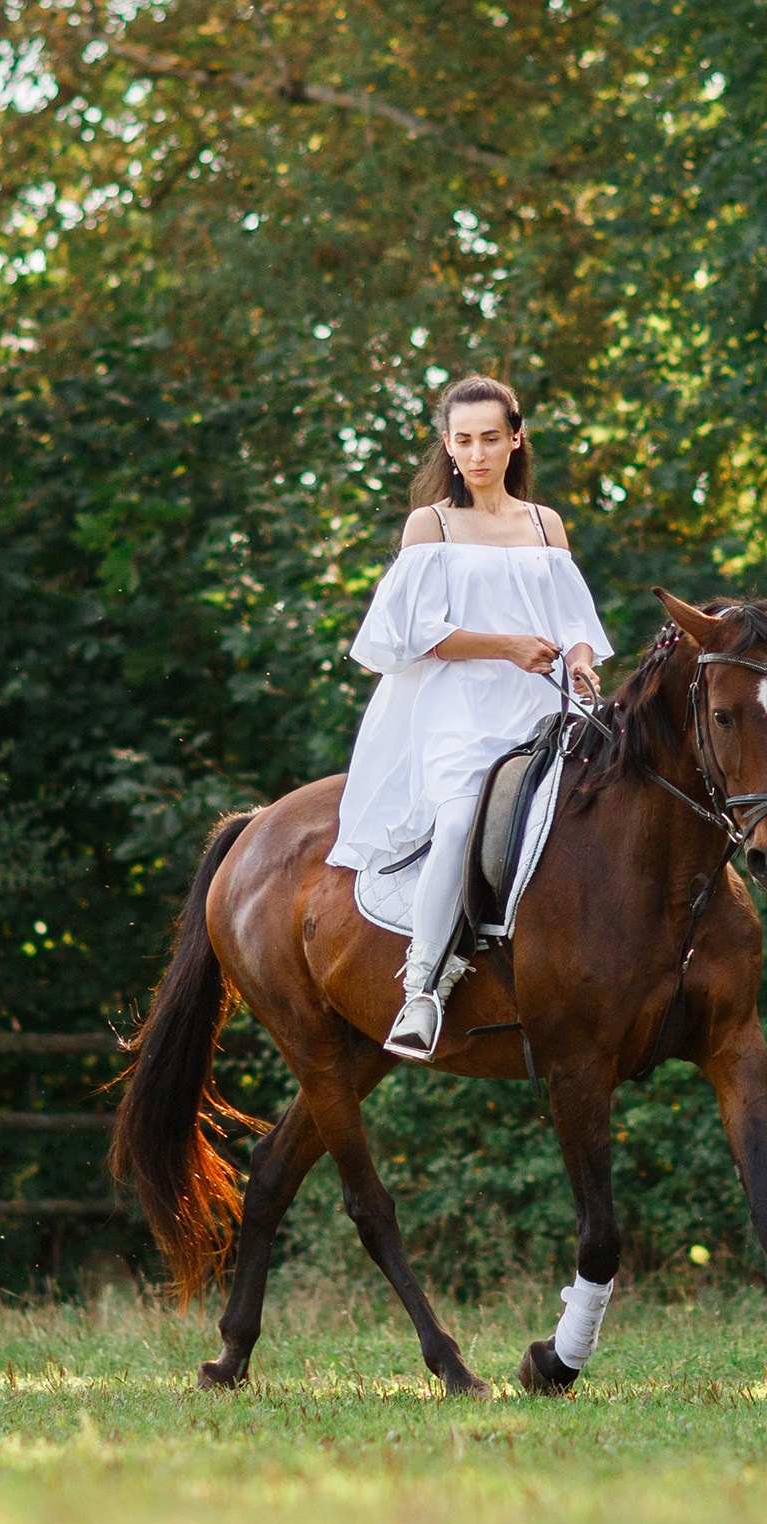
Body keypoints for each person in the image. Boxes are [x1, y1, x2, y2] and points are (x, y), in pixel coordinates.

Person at [328, 374, 615, 1060]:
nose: (478, 453)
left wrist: (579, 658)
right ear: (448, 447)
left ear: (516, 439)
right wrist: (508, 645)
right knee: (459, 823)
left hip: (545, 706)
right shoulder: (433, 525)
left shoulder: (545, 524)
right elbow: (416, 636)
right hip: (460, 712)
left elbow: (575, 621)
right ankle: (423, 987)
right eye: (463, 441)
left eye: (491, 438)